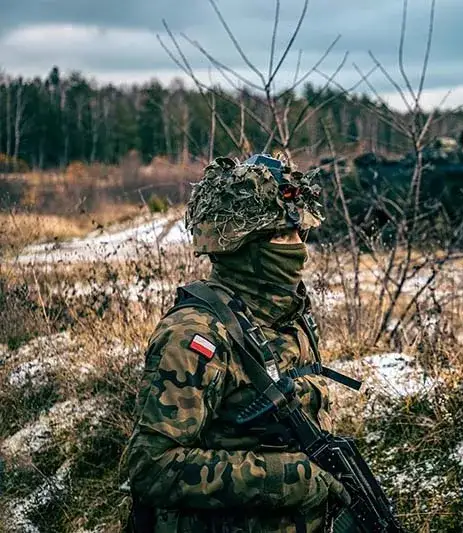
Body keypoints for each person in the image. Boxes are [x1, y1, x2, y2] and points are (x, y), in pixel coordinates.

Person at [124, 154, 351, 533]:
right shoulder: (196, 335)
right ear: (240, 245)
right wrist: (291, 479)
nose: (298, 248)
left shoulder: (290, 318)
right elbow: (152, 467)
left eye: (299, 234)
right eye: (280, 236)